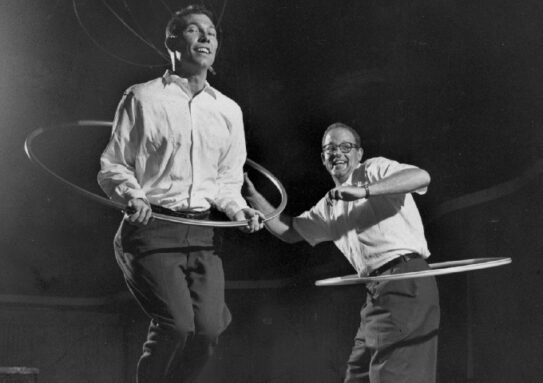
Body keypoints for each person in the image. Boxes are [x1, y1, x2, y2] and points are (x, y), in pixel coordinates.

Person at [97, 5, 263, 383]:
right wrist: (132, 196)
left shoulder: (228, 111)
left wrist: (239, 211)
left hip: (202, 235)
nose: (205, 38)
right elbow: (114, 164)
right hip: (151, 228)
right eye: (193, 30)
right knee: (177, 325)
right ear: (172, 40)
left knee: (208, 332)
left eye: (211, 33)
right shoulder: (141, 98)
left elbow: (226, 181)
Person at [243, 122, 440, 383]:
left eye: (346, 146)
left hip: (406, 281)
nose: (338, 152)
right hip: (376, 292)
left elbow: (421, 177)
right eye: (330, 148)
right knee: (356, 376)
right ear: (323, 159)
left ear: (359, 154)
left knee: (393, 377)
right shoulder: (329, 204)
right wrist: (252, 196)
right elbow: (289, 231)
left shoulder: (374, 169)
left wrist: (363, 191)